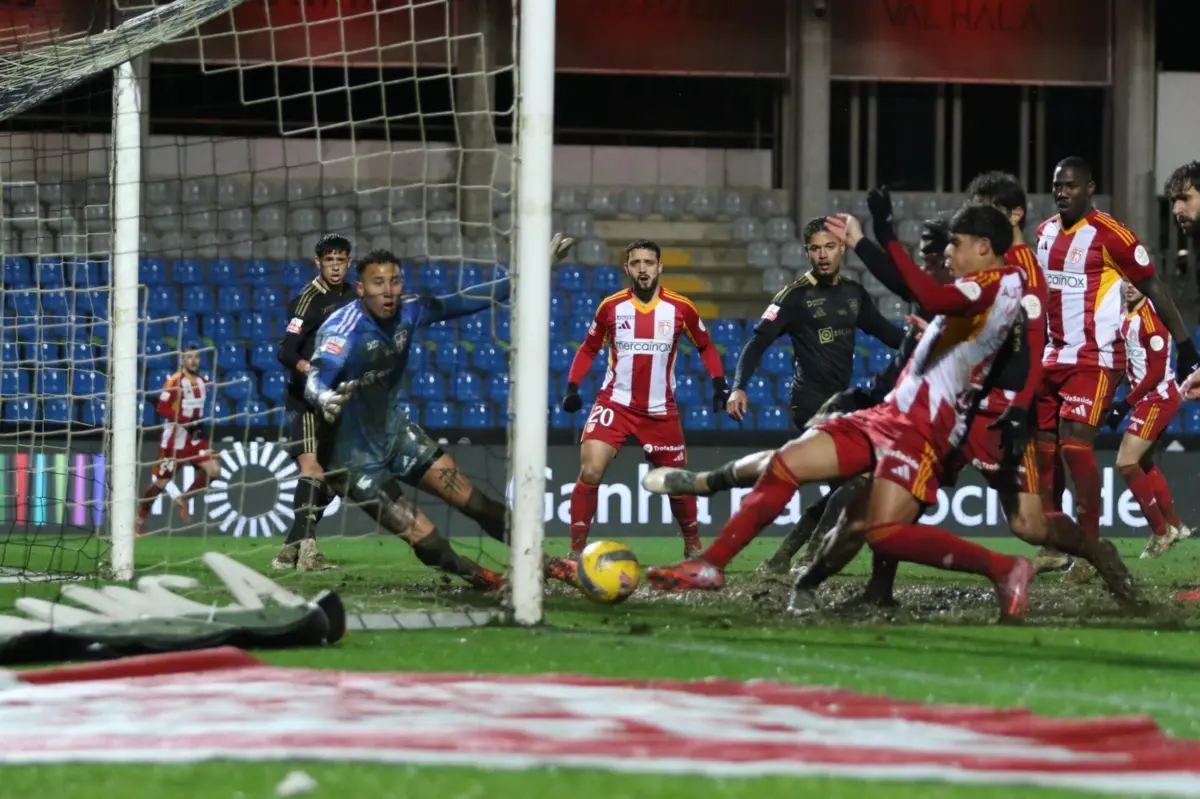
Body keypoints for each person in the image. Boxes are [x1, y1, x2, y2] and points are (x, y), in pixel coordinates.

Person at [645, 206, 1038, 622]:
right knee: (787, 464)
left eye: (955, 245)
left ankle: (1005, 568)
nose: (947, 254)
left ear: (984, 246)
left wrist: (878, 237)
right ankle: (713, 562)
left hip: (924, 429)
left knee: (879, 531)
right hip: (887, 411)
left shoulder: (994, 284)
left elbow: (935, 297)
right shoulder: (994, 286)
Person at [307, 239, 578, 590]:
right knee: (428, 540)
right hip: (353, 459)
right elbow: (316, 376)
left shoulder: (410, 310)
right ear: (360, 288)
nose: (388, 292)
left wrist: (535, 270)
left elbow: (468, 299)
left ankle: (546, 563)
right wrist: (324, 395)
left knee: (476, 502)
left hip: (396, 435)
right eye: (378, 283)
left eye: (395, 281)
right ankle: (479, 576)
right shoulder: (341, 330)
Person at [1035, 157, 1199, 585]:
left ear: (1090, 188)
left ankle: (1093, 550)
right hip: (1052, 358)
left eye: (1071, 185)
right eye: (1057, 185)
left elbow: (1153, 288)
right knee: (1043, 452)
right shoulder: (1044, 234)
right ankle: (1054, 544)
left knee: (1076, 449)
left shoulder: (1113, 235)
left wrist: (1185, 346)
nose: (1062, 192)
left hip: (1096, 360)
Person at [727, 216, 904, 575]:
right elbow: (758, 341)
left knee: (849, 486)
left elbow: (889, 334)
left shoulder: (855, 295)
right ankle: (810, 557)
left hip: (842, 405)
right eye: (815, 248)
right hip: (809, 403)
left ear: (842, 248)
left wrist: (929, 341)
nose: (822, 255)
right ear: (807, 251)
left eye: (829, 247)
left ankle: (783, 557)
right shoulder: (794, 297)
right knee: (853, 483)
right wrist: (739, 385)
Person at [561, 239, 728, 560]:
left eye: (648, 263)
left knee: (677, 483)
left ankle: (693, 547)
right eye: (635, 263)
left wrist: (719, 383)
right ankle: (574, 554)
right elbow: (588, 348)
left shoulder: (680, 308)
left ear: (660, 267)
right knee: (591, 471)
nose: (642, 269)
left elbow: (706, 345)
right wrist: (572, 387)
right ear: (627, 269)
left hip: (659, 411)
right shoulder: (610, 307)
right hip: (615, 404)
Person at [271, 233, 356, 572]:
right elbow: (285, 351)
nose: (335, 267)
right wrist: (310, 370)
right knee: (312, 470)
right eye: (329, 261)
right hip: (305, 399)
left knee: (335, 482)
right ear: (317, 263)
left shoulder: (354, 296)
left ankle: (290, 548)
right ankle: (309, 553)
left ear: (349, 263)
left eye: (341, 260)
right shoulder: (307, 300)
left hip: (337, 402)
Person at [1108, 280, 1191, 558]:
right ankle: (1177, 527)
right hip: (1146, 400)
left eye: (1135, 282)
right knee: (1142, 463)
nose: (1129, 286)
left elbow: (1156, 373)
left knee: (1126, 463)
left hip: (1159, 399)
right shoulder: (1125, 315)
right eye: (1125, 281)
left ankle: (1160, 531)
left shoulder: (1151, 320)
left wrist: (1124, 403)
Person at [135, 344, 220, 536]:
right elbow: (162, 408)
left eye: (196, 357)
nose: (193, 361)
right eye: (189, 357)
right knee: (161, 483)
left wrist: (197, 426)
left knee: (214, 470)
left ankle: (184, 497)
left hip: (195, 440)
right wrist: (186, 422)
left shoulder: (203, 381)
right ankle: (140, 518)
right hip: (174, 443)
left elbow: (198, 411)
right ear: (182, 360)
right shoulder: (174, 381)